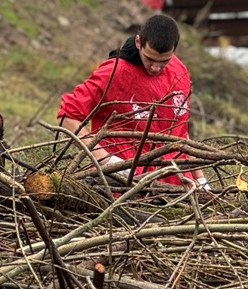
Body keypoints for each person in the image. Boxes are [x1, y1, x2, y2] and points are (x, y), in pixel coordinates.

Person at [58, 14, 206, 187]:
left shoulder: (179, 71)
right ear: (138, 43)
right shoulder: (116, 72)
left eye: (163, 61)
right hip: (126, 187)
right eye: (149, 59)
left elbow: (179, 130)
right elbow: (67, 115)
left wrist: (200, 178)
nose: (155, 68)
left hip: (177, 189)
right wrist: (106, 160)